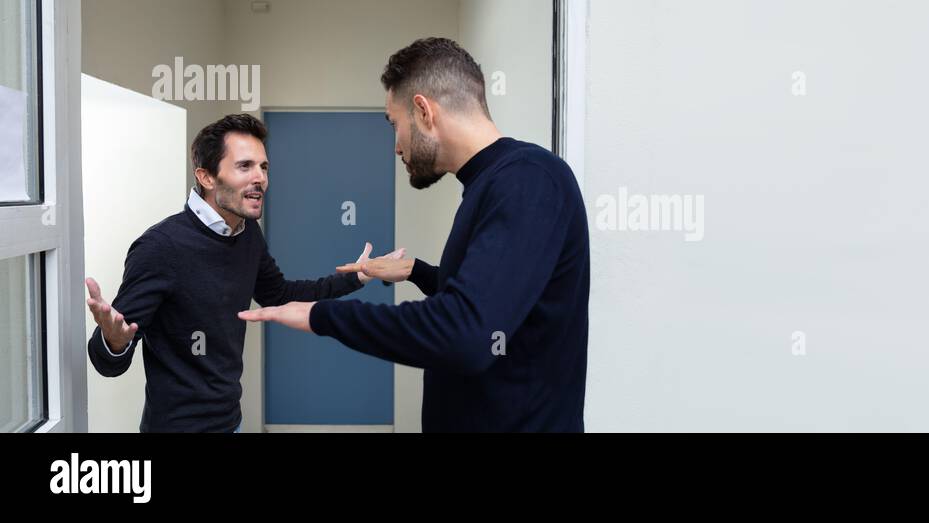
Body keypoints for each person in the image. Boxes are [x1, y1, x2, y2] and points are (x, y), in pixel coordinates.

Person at [240, 38, 590, 432]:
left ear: (423, 111)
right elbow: (496, 300)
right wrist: (416, 271)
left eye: (395, 124)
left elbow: (467, 333)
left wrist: (321, 315)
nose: (396, 146)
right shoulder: (494, 183)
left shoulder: (527, 180)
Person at [86, 113, 401, 432]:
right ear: (207, 177)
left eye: (263, 167)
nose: (260, 178)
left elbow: (280, 296)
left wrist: (358, 276)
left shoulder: (246, 232)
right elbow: (108, 358)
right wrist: (114, 342)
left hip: (230, 422)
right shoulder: (161, 247)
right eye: (245, 166)